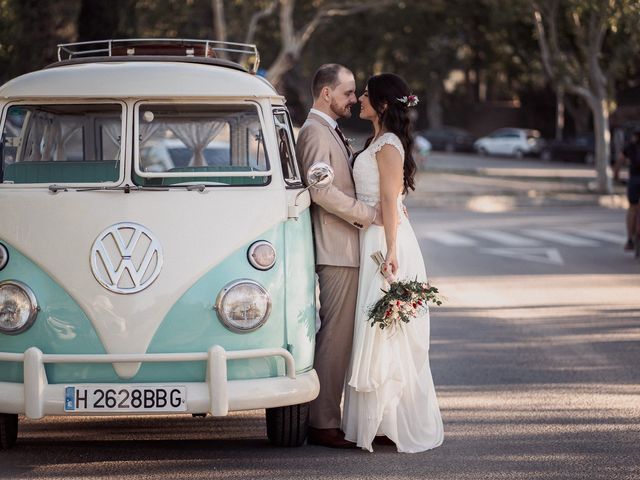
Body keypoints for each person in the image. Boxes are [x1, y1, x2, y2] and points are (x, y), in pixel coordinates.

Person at [342, 73, 444, 452]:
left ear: (383, 105)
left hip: (384, 243)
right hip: (374, 234)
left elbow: (388, 199)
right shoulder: (377, 140)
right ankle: (381, 420)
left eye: (367, 95)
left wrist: (392, 253)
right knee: (376, 330)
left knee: (386, 331)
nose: (361, 99)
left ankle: (393, 421)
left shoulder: (387, 145)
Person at [295, 64, 382, 448]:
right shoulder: (315, 132)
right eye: (348, 92)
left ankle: (328, 416)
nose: (353, 99)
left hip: (347, 247)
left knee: (342, 336)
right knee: (335, 337)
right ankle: (322, 421)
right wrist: (369, 215)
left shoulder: (329, 130)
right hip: (337, 250)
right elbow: (321, 192)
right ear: (326, 93)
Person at [614, 130, 640, 251]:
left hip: (634, 180)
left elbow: (620, 160)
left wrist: (616, 175)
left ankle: (630, 239)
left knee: (632, 208)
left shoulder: (631, 147)